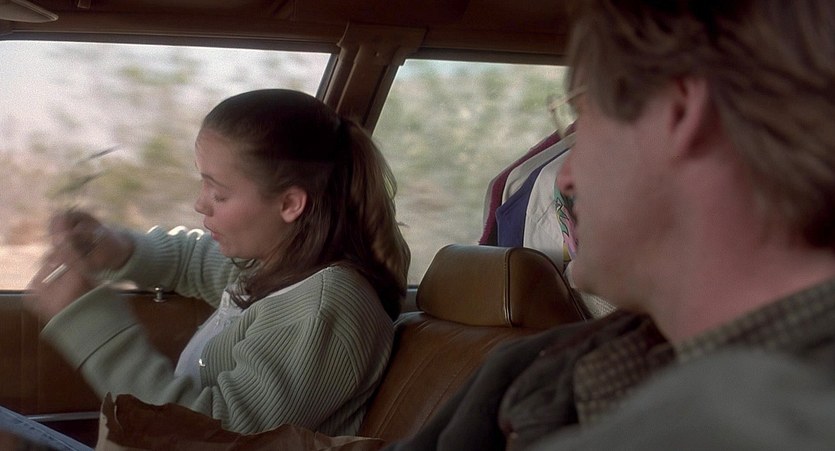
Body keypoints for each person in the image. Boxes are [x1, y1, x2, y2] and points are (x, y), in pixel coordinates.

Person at [385, 0, 835, 449]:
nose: (564, 177)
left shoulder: (744, 424)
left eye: (585, 116)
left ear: (678, 112)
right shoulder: (535, 366)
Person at [6, 88, 410, 447]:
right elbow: (192, 261)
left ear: (290, 204)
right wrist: (116, 249)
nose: (200, 204)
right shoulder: (276, 268)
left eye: (218, 193)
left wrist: (89, 322)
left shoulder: (325, 309)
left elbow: (216, 436)